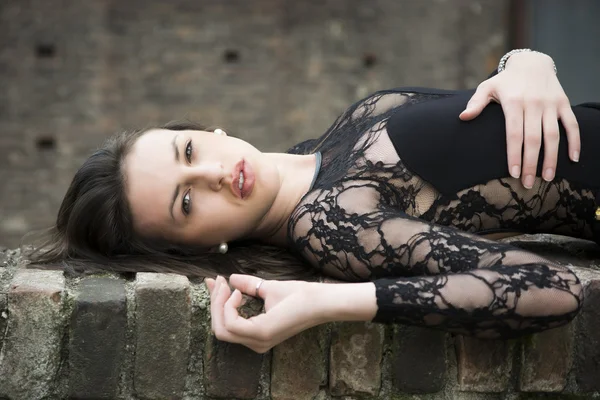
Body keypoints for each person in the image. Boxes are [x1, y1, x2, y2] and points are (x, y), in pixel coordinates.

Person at [29, 49, 599, 354]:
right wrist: (328, 304)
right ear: (203, 246)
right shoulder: (331, 224)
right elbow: (552, 289)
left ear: (210, 131)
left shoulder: (323, 149)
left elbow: (494, 117)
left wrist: (525, 63)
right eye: (186, 204)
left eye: (188, 150)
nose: (214, 175)